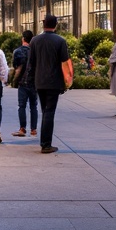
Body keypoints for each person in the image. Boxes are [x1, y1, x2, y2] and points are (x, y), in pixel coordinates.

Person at [27, 14, 73, 154]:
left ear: (43, 24)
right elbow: (65, 63)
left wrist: (30, 81)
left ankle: (45, 142)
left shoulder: (34, 41)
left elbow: (31, 63)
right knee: (49, 112)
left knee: (45, 111)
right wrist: (67, 82)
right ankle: (46, 145)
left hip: (39, 82)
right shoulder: (60, 41)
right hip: (54, 82)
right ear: (56, 25)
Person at [10, 29, 39, 137]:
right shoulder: (35, 51)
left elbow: (15, 66)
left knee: (21, 106)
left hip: (22, 83)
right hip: (34, 83)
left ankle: (22, 129)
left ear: (23, 39)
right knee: (33, 106)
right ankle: (33, 129)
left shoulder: (18, 51)